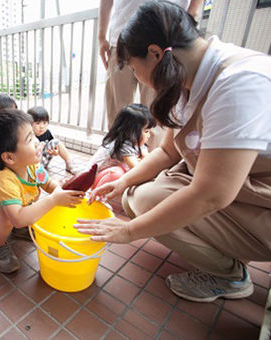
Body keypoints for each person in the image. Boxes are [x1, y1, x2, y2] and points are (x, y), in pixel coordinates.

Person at [76, 1, 271, 303]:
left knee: (145, 206)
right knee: (134, 196)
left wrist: (129, 232)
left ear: (154, 53)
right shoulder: (186, 75)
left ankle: (230, 275)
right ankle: (220, 252)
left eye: (133, 66)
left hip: (258, 203)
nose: (136, 76)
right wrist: (122, 182)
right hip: (231, 191)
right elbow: (167, 152)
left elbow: (212, 195)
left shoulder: (239, 85)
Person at [0, 109, 84, 273]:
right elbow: (18, 218)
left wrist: (60, 192)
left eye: (33, 136)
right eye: (30, 139)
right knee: (5, 215)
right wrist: (54, 200)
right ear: (9, 157)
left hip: (13, 213)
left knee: (15, 213)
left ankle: (19, 231)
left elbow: (49, 185)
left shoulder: (33, 165)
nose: (37, 142)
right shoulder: (4, 180)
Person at [98, 0, 203, 149]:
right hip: (120, 35)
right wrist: (102, 36)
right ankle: (117, 155)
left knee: (157, 119)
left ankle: (143, 158)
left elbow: (167, 154)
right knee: (120, 113)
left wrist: (190, 16)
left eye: (133, 69)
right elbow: (168, 154)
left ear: (156, 54)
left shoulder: (227, 84)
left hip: (167, 33)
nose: (134, 73)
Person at [88, 104, 155, 194]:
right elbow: (137, 169)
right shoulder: (123, 145)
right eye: (146, 131)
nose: (149, 135)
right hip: (92, 180)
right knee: (118, 174)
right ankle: (98, 199)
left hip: (105, 176)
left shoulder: (137, 142)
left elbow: (148, 159)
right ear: (131, 131)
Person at [28, 106, 79, 174]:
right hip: (32, 164)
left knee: (57, 142)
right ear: (29, 124)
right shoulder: (28, 135)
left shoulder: (48, 133)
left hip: (43, 161)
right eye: (37, 123)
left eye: (44, 123)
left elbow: (55, 150)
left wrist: (55, 152)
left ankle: (69, 164)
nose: (42, 126)